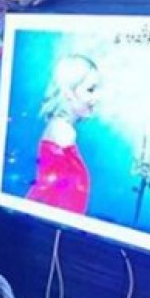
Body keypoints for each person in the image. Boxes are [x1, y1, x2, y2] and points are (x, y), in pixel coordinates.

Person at [25, 54, 100, 214]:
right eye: (90, 89)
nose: (96, 97)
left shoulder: (63, 130)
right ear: (68, 92)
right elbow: (47, 191)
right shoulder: (62, 132)